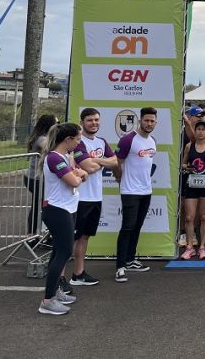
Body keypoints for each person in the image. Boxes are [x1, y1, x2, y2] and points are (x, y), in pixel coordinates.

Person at [38, 123, 87, 315]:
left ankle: (55, 292)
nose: (78, 143)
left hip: (66, 209)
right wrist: (80, 175)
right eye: (77, 139)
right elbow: (74, 180)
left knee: (58, 252)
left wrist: (79, 174)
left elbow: (78, 175)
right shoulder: (54, 158)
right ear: (68, 140)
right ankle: (47, 300)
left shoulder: (65, 157)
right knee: (64, 252)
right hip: (57, 210)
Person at [71, 109, 118, 286]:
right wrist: (101, 162)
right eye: (90, 120)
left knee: (85, 237)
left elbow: (115, 161)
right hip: (79, 198)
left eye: (96, 120)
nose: (94, 123)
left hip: (96, 197)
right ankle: (64, 276)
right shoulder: (77, 142)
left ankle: (78, 273)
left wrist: (95, 161)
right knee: (75, 238)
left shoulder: (101, 141)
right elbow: (87, 168)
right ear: (82, 121)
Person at [114, 107, 157, 283]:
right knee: (127, 227)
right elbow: (116, 163)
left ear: (156, 122)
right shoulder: (128, 140)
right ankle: (120, 267)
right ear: (140, 121)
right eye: (146, 120)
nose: (149, 124)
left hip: (146, 191)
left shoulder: (152, 141)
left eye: (152, 121)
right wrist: (120, 180)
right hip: (130, 192)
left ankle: (130, 259)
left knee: (137, 226)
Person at [180, 120, 205, 260]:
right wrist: (187, 168)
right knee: (189, 217)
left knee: (204, 217)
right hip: (192, 185)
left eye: (203, 129)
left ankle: (202, 247)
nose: (201, 132)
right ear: (195, 131)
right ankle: (189, 247)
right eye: (198, 129)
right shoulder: (189, 146)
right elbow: (183, 164)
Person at [24, 114, 56, 238]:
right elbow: (51, 148)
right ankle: (31, 235)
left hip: (35, 177)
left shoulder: (39, 136)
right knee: (38, 205)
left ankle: (41, 234)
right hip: (36, 178)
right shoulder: (42, 139)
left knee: (42, 205)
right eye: (56, 124)